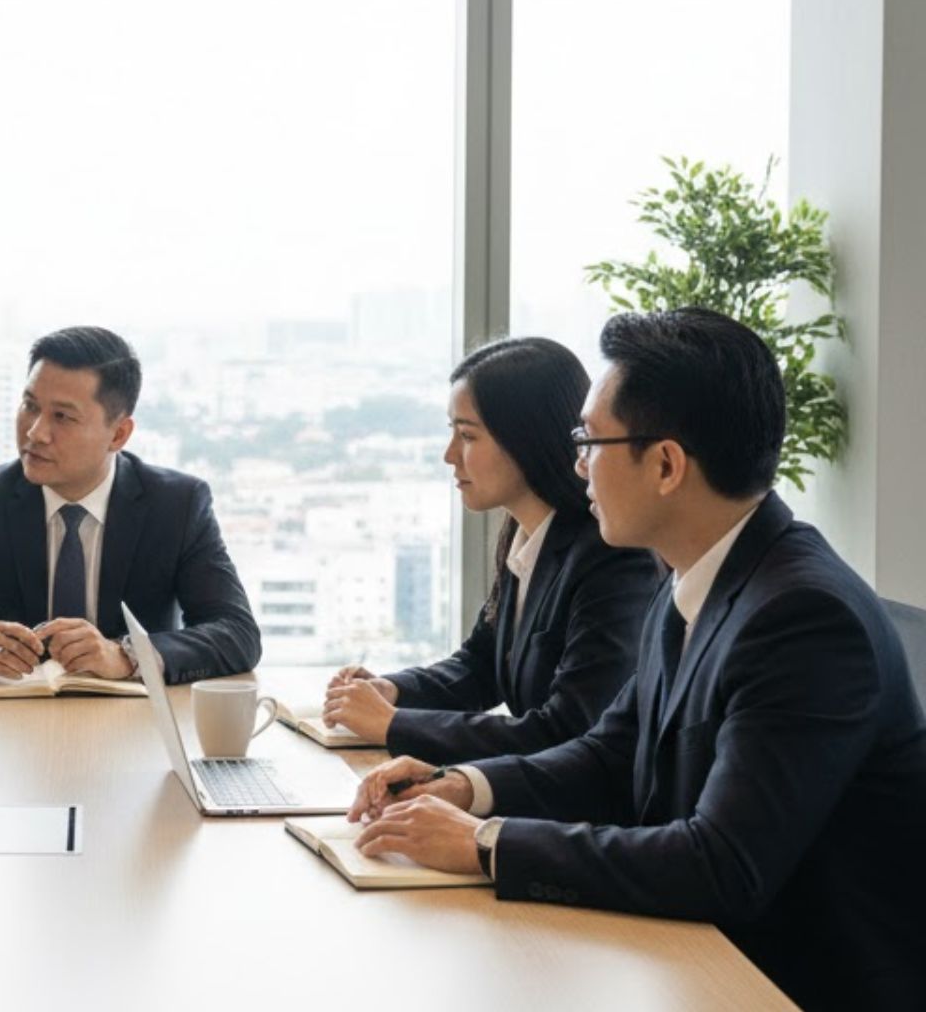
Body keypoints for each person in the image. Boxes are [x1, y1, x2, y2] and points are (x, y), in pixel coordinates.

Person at [346, 308, 926, 1011]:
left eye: (590, 441)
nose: (578, 465)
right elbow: (608, 754)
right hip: (694, 958)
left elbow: (722, 864)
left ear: (666, 464)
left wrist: (485, 843)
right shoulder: (691, 577)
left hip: (785, 984)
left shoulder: (803, 618)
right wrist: (465, 786)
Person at [321, 337, 660, 761]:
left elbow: (568, 729)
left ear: (526, 438)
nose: (449, 456)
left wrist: (393, 724)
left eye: (467, 435)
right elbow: (481, 665)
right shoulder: (527, 535)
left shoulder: (612, 559)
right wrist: (393, 691)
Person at [0, 326, 260, 685]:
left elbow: (237, 632)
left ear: (118, 434)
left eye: (62, 417)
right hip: (2, 723)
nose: (35, 432)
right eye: (30, 406)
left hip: (135, 728)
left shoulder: (176, 504)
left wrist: (127, 655)